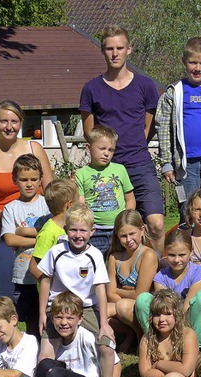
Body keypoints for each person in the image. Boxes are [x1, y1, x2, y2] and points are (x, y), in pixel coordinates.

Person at [80, 25, 164, 251]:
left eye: (119, 48)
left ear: (129, 50)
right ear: (102, 51)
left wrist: (134, 147)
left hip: (139, 164)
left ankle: (156, 278)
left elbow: (148, 127)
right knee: (111, 230)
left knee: (155, 224)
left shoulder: (145, 85)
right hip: (106, 169)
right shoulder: (91, 89)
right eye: (109, 48)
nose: (114, 53)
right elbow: (90, 133)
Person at [37, 202, 117, 377]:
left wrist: (104, 323)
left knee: (107, 348)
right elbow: (45, 280)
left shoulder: (95, 255)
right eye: (73, 229)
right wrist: (42, 314)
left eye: (83, 230)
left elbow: (100, 288)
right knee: (45, 358)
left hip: (86, 308)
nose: (78, 235)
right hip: (58, 308)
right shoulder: (56, 252)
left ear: (92, 231)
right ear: (65, 230)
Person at [0, 100, 53, 298]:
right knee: (6, 296)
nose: (9, 127)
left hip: (40, 229)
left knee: (47, 291)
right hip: (5, 231)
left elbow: (51, 192)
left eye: (14, 121)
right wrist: (13, 225)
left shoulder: (34, 148)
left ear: (21, 123)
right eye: (3, 121)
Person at [156, 36, 201, 215]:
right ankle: (188, 243)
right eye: (192, 62)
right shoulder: (174, 92)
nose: (198, 68)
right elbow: (163, 128)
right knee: (188, 211)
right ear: (184, 62)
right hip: (186, 164)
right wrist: (167, 163)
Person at [1, 154, 50, 336]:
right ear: (15, 180)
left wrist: (22, 231)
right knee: (29, 319)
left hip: (46, 272)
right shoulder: (11, 208)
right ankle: (32, 351)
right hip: (23, 275)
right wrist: (40, 238)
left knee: (49, 316)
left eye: (33, 179)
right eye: (23, 179)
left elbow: (56, 232)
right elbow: (10, 239)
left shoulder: (47, 205)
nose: (29, 184)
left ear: (40, 180)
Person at [135, 229, 201, 347]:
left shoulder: (199, 274)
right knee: (143, 299)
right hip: (168, 322)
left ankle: (195, 346)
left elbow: (186, 308)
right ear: (165, 253)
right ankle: (155, 342)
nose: (176, 260)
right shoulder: (161, 277)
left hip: (192, 322)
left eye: (182, 255)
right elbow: (163, 308)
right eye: (171, 255)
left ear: (191, 252)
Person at [76, 124, 136, 256]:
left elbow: (130, 198)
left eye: (111, 150)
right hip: (95, 231)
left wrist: (126, 221)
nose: (106, 153)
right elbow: (81, 205)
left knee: (120, 264)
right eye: (102, 148)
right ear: (88, 148)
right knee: (94, 266)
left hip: (118, 230)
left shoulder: (120, 169)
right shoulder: (81, 173)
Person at [138, 289, 199, 377]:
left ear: (177, 314)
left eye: (167, 314)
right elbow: (145, 373)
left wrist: (158, 365)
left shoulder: (187, 334)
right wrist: (167, 376)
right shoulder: (147, 339)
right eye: (156, 314)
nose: (161, 319)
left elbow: (186, 370)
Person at [106, 209, 158, 345]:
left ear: (142, 230)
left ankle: (143, 337)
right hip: (123, 303)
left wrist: (118, 291)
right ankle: (130, 333)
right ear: (117, 236)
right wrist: (121, 295)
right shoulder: (114, 258)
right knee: (98, 312)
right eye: (123, 236)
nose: (128, 240)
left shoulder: (148, 255)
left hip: (144, 306)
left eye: (132, 234)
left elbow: (140, 294)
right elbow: (109, 294)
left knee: (122, 306)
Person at [28, 178, 79, 283]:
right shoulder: (48, 232)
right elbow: (34, 267)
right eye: (78, 201)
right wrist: (51, 286)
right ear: (69, 205)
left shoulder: (72, 227)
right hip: (56, 295)